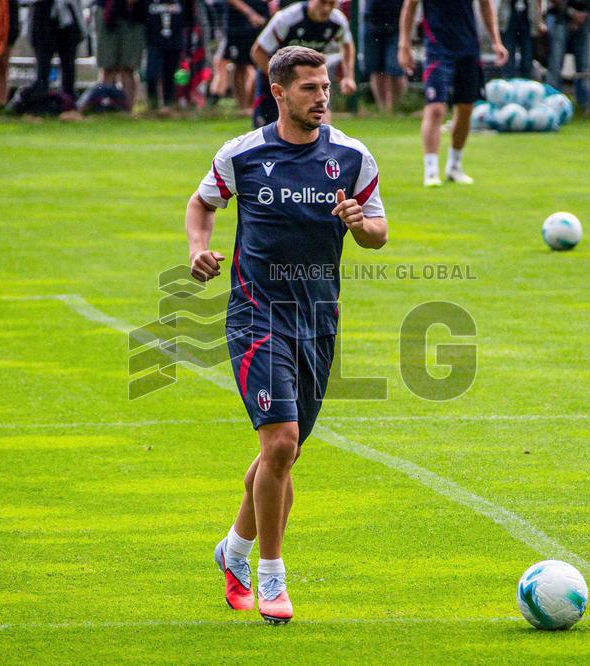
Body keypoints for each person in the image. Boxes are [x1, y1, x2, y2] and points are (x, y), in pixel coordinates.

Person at [187, 45, 387, 624]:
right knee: (279, 443)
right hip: (255, 315)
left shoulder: (352, 157)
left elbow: (379, 231)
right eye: (308, 89)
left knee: (285, 452)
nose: (322, 98)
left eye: (325, 88)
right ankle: (271, 579)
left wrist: (361, 225)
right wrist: (199, 251)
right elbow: (201, 207)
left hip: (319, 321)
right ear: (277, 92)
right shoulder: (243, 154)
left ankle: (234, 550)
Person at [398, 0, 508, 186]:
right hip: (437, 49)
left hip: (468, 49)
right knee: (436, 108)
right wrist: (404, 45)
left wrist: (496, 41)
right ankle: (431, 171)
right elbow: (410, 6)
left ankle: (454, 166)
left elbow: (486, 4)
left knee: (466, 108)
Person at [249, 0, 356, 128]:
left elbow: (347, 46)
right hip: (275, 82)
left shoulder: (337, 20)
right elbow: (258, 52)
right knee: (268, 132)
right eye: (322, 3)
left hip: (313, 80)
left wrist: (349, 76)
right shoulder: (287, 19)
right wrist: (281, 80)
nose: (327, 8)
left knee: (322, 127)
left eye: (332, 4)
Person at [92, 0, 146, 109]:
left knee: (128, 68)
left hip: (133, 14)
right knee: (108, 67)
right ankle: (106, 106)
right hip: (107, 9)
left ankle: (127, 109)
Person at [28, 0, 84, 100]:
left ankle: (68, 101)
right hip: (42, 11)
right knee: (43, 65)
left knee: (68, 64)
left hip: (68, 11)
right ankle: (40, 101)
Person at [544, 0, 590, 112]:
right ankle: (551, 104)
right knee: (555, 65)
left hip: (586, 18)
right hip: (559, 17)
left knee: (584, 67)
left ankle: (584, 105)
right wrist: (572, 13)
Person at [363, 0, 407, 112]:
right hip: (372, 20)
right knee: (376, 69)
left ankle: (395, 108)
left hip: (397, 21)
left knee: (396, 68)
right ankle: (383, 110)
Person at [225, 0, 269, 110]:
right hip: (239, 22)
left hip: (262, 17)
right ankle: (243, 106)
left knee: (261, 61)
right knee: (239, 64)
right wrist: (250, 14)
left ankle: (252, 105)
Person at [145, 0, 187, 110]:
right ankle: (153, 104)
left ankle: (169, 105)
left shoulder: (181, 3)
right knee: (152, 74)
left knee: (170, 75)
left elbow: (188, 19)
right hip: (154, 43)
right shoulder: (149, 3)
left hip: (174, 43)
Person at [498, 0, 542, 79]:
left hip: (528, 19)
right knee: (508, 59)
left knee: (527, 59)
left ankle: (526, 85)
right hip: (509, 18)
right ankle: (508, 85)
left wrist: (539, 21)